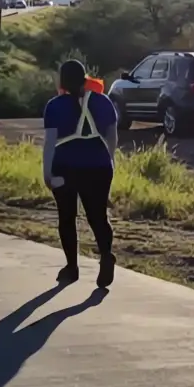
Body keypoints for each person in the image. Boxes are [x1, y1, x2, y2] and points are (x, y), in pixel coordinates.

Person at [43, 59, 120, 287]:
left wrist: (47, 174)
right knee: (98, 217)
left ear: (63, 80)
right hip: (99, 167)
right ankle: (106, 255)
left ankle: (72, 267)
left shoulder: (54, 105)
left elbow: (50, 143)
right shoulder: (103, 101)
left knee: (67, 218)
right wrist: (110, 159)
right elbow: (112, 135)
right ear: (85, 77)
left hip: (65, 168)